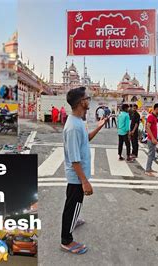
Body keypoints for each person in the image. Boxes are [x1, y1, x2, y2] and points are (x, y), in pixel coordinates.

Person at [61, 87, 105, 254]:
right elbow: (74, 159)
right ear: (81, 102)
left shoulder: (79, 121)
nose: (89, 100)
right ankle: (66, 240)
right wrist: (85, 182)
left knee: (72, 203)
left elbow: (85, 140)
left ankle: (74, 219)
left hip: (79, 175)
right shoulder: (72, 127)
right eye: (87, 98)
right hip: (77, 177)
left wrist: (99, 127)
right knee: (73, 205)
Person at [145, 103, 158, 176]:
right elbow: (147, 127)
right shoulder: (151, 116)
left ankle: (149, 168)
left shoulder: (155, 117)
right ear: (156, 109)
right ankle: (147, 170)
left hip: (154, 138)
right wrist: (152, 138)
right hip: (151, 139)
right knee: (151, 154)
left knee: (152, 155)